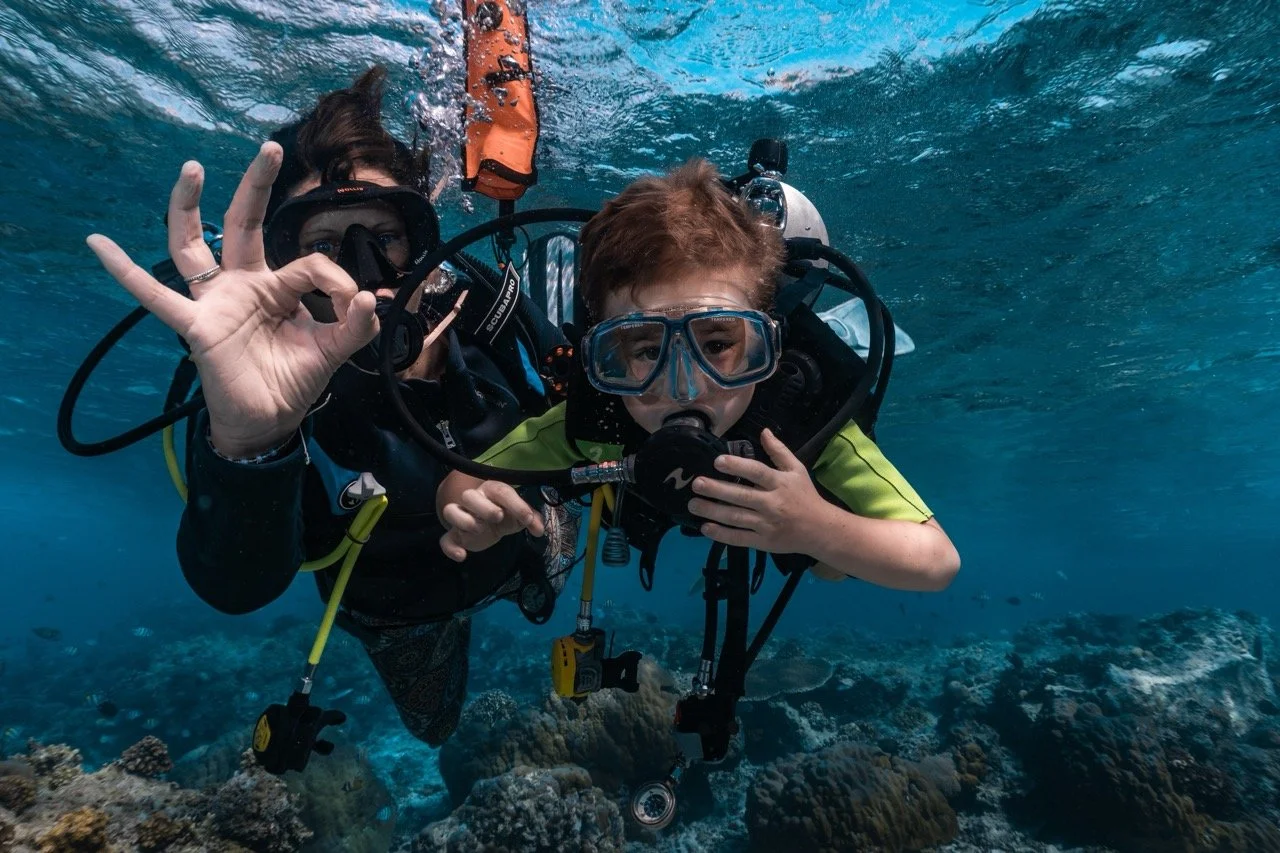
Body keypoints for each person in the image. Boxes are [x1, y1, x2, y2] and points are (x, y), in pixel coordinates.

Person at [85, 67, 576, 747]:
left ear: (424, 244)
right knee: (435, 729)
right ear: (282, 261)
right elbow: (236, 586)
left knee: (557, 543)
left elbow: (601, 434)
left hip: (525, 551)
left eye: (383, 235)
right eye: (322, 246)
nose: (359, 270)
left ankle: (534, 568)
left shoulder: (489, 319)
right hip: (397, 615)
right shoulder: (265, 378)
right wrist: (250, 439)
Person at [435, 158, 959, 592]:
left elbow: (936, 561)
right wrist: (473, 518)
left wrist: (815, 528)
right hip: (633, 497)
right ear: (606, 357)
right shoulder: (596, 420)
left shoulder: (805, 419)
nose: (683, 385)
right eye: (644, 349)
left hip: (792, 512)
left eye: (718, 343)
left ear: (769, 346)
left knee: (830, 568)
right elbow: (464, 480)